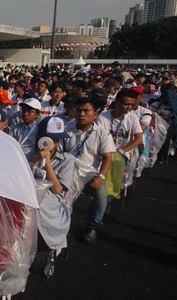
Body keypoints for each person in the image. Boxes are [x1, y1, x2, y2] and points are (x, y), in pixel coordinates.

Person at [63, 98, 115, 244]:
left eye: (87, 111)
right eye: (79, 110)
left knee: (101, 196)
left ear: (95, 114)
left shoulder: (102, 133)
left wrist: (101, 176)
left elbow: (107, 158)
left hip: (89, 172)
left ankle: (93, 226)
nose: (82, 114)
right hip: (68, 170)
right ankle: (60, 224)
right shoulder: (66, 129)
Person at [32, 117, 76, 278]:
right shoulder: (31, 154)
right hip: (32, 199)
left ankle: (50, 250)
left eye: (57, 141)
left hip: (52, 204)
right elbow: (24, 179)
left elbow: (57, 189)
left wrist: (48, 162)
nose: (54, 144)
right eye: (50, 139)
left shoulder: (67, 160)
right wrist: (36, 161)